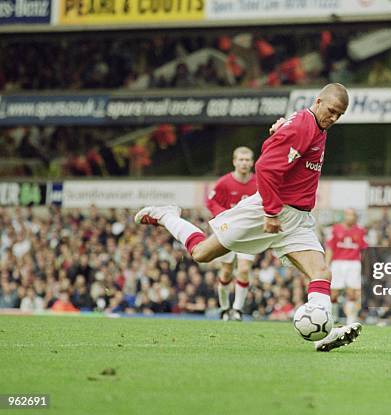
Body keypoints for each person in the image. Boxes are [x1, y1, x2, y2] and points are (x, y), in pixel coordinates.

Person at [135, 83, 361, 352]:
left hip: (297, 219)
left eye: (339, 115)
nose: (334, 118)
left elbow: (273, 148)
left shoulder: (312, 125)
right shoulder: (304, 125)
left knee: (321, 271)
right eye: (332, 111)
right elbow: (264, 167)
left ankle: (324, 333)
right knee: (202, 253)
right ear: (319, 101)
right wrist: (271, 211)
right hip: (267, 210)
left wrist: (278, 132)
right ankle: (166, 215)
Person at [207, 146, 258, 321]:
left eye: (247, 160)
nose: (244, 163)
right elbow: (211, 202)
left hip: (248, 233)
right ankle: (224, 307)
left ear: (252, 163)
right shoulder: (224, 183)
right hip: (227, 232)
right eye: (240, 160)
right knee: (227, 271)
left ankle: (237, 310)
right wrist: (225, 216)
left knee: (244, 269)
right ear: (234, 162)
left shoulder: (259, 182)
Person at [326, 208, 368, 325]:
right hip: (337, 263)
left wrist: (364, 266)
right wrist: (327, 265)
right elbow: (329, 247)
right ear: (345, 216)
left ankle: (351, 320)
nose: (352, 218)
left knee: (352, 293)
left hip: (353, 263)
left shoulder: (360, 231)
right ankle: (333, 317)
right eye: (349, 215)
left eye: (353, 215)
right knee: (334, 293)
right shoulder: (335, 229)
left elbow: (364, 250)